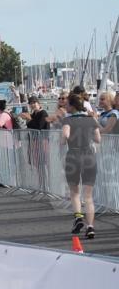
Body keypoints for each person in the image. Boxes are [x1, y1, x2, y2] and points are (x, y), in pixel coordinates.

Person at [62, 92, 101, 239]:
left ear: (72, 106)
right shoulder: (91, 119)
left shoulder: (68, 120)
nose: (65, 106)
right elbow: (98, 139)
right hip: (89, 156)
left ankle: (78, 217)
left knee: (75, 192)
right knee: (89, 196)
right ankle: (90, 227)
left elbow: (65, 135)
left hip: (73, 155)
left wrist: (63, 140)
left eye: (67, 104)